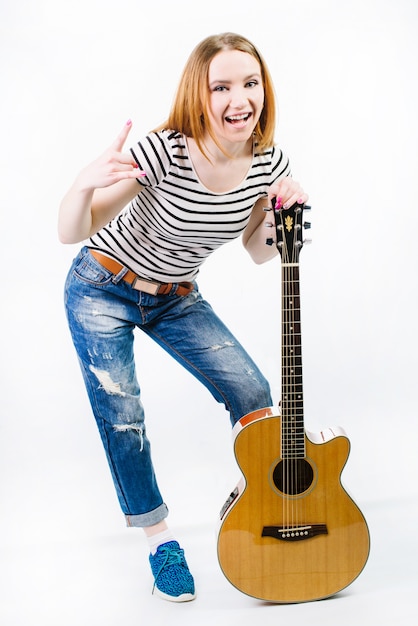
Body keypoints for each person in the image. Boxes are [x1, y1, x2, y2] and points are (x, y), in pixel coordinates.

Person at [58, 32, 308, 602]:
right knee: (124, 413)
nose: (238, 99)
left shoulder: (270, 161)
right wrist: (82, 184)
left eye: (250, 83)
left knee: (253, 390)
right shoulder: (164, 152)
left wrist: (280, 216)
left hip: (175, 295)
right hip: (103, 284)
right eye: (221, 86)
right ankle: (159, 541)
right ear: (200, 92)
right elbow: (70, 230)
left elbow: (258, 249)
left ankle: (263, 503)